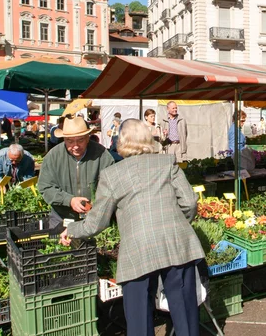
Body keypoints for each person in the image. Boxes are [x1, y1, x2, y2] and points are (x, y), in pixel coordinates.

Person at [59, 119, 204, 336]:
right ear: (148, 138)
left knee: (139, 317)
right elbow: (190, 202)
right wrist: (176, 224)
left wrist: (71, 230)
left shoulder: (112, 175)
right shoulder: (167, 163)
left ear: (121, 143)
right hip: (177, 244)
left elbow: (97, 222)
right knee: (184, 308)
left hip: (138, 250)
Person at [38, 117, 115, 227]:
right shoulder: (53, 156)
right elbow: (45, 187)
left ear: (88, 138)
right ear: (64, 139)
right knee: (59, 243)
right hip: (62, 216)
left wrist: (97, 203)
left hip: (95, 217)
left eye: (80, 140)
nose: (75, 146)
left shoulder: (102, 155)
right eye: (70, 141)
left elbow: (112, 186)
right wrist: (69, 200)